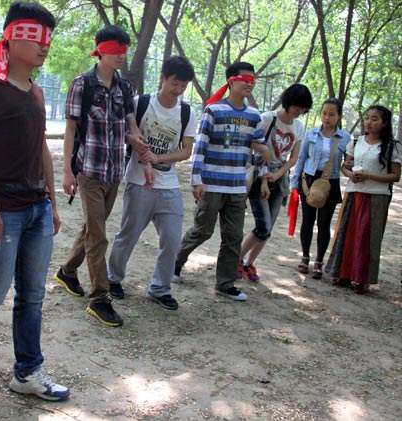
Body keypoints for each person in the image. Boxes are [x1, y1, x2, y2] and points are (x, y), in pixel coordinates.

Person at [0, 1, 69, 402]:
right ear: (12, 36)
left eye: (48, 39)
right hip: (1, 209)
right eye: (36, 37)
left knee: (33, 295)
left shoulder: (36, 92)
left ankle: (27, 372)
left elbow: (41, 150)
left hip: (37, 209)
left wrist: (52, 202)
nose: (45, 46)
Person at [54, 25, 147, 327]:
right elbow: (70, 130)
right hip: (90, 171)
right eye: (115, 50)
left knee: (93, 228)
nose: (121, 55)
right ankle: (99, 298)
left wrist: (136, 140)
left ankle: (67, 271)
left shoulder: (125, 88)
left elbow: (130, 123)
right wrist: (68, 170)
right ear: (100, 50)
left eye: (124, 50)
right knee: (98, 235)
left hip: (114, 171)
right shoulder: (82, 84)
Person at [172, 61, 270, 301]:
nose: (250, 84)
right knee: (202, 230)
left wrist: (264, 169)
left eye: (252, 81)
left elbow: (259, 148)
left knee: (233, 237)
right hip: (211, 184)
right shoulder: (214, 110)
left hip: (237, 186)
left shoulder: (254, 115)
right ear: (231, 81)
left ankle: (225, 284)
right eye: (245, 80)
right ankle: (174, 264)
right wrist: (196, 180)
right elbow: (200, 147)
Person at [106, 56, 197, 310]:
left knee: (171, 238)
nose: (178, 90)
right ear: (163, 77)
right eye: (174, 83)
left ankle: (160, 287)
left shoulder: (187, 112)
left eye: (183, 86)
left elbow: (186, 151)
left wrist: (159, 157)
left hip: (168, 185)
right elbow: (123, 132)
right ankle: (113, 278)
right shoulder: (140, 103)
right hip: (138, 182)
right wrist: (135, 142)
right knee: (128, 233)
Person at [238, 83, 313, 283]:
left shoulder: (298, 126)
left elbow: (294, 158)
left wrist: (278, 174)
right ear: (288, 102)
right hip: (260, 175)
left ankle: (248, 263)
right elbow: (252, 145)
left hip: (279, 179)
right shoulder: (267, 119)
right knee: (262, 226)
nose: (300, 112)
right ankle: (236, 259)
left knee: (267, 230)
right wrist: (265, 175)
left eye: (303, 109)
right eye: (297, 107)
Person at [326, 105, 401, 294]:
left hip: (376, 196)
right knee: (347, 233)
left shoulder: (392, 146)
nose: (369, 122)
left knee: (367, 236)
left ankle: (361, 279)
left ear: (384, 123)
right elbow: (345, 166)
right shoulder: (356, 141)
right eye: (367, 118)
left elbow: (395, 176)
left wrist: (370, 176)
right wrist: (350, 174)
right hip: (354, 193)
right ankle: (342, 273)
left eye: (374, 119)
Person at [291, 98, 351, 279]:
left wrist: (349, 166)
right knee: (307, 220)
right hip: (309, 179)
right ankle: (305, 257)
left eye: (332, 114)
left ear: (339, 116)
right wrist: (295, 183)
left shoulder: (345, 138)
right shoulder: (310, 134)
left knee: (324, 223)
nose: (327, 117)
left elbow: (348, 162)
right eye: (324, 113)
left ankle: (319, 261)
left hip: (330, 182)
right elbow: (301, 159)